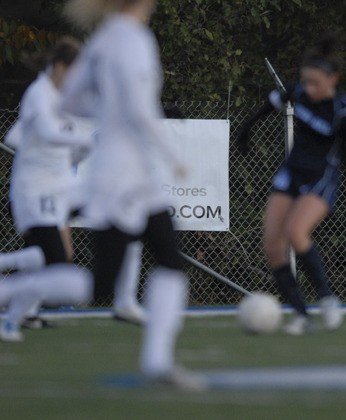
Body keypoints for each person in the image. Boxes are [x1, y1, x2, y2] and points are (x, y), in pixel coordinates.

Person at [62, 0, 198, 386]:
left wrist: (108, 113)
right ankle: (9, 290)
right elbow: (140, 109)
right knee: (101, 282)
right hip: (123, 176)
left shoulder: (102, 39)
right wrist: (174, 154)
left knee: (170, 257)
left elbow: (71, 100)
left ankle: (157, 362)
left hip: (133, 174)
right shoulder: (134, 38)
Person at [237, 33, 346, 335]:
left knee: (296, 232)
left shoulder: (345, 114)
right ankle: (301, 315)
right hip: (292, 171)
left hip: (321, 178)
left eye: (316, 83)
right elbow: (268, 105)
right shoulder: (299, 91)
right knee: (273, 247)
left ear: (333, 80)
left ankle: (327, 299)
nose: (308, 88)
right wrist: (245, 131)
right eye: (306, 81)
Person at [0, 38, 94, 341]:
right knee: (53, 262)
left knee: (118, 210)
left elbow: (65, 143)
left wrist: (83, 151)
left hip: (61, 190)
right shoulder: (39, 94)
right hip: (35, 192)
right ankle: (12, 315)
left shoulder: (63, 98)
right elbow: (41, 134)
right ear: (60, 67)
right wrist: (86, 142)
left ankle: (12, 319)